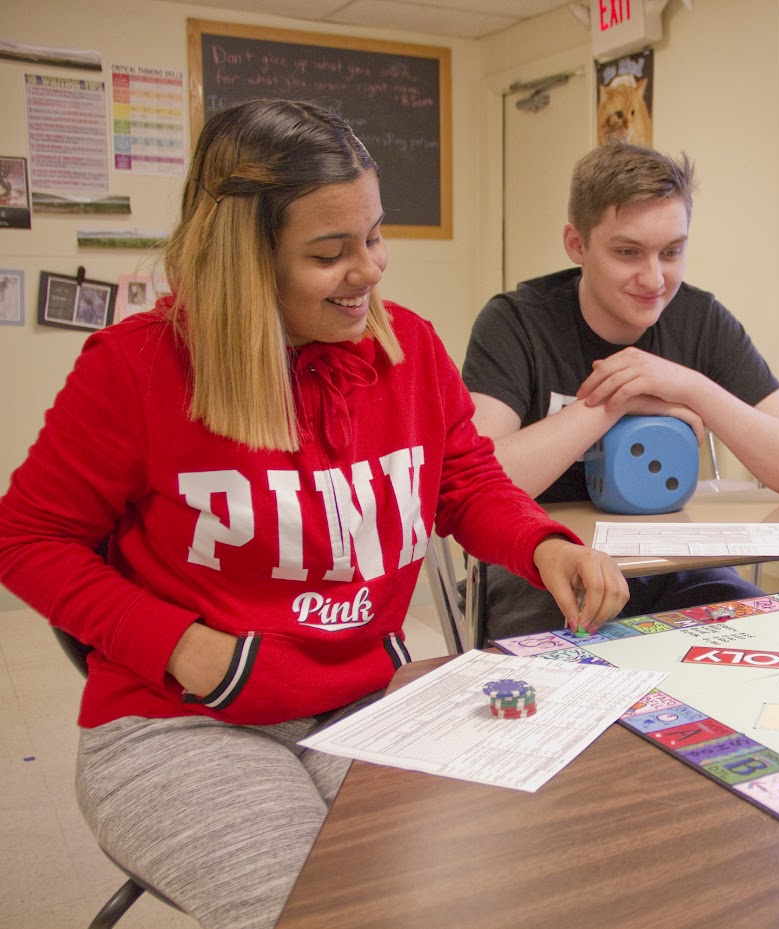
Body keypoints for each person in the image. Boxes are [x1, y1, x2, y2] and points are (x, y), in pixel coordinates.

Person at [0, 99, 627, 929]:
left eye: (373, 236)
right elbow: (27, 538)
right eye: (330, 253)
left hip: (367, 700)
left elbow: (465, 484)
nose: (369, 271)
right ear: (245, 264)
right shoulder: (137, 368)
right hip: (180, 719)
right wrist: (182, 645)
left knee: (512, 880)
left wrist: (544, 545)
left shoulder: (408, 346)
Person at [463, 142, 779, 641]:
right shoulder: (516, 322)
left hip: (674, 565)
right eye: (627, 252)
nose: (654, 279)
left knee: (776, 637)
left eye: (672, 252)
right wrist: (621, 399)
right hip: (543, 569)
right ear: (576, 244)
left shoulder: (701, 320)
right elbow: (479, 480)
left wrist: (689, 386)